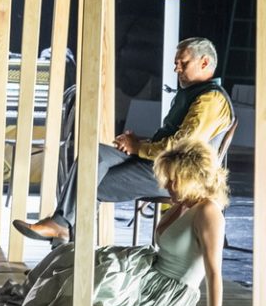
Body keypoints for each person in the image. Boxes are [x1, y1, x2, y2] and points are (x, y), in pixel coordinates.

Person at [0, 140, 256, 306]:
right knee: (71, 255)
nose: (167, 186)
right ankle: (33, 302)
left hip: (161, 293)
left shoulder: (208, 212)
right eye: (167, 179)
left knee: (88, 298)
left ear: (193, 179)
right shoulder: (182, 203)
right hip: (148, 273)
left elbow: (213, 272)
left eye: (174, 181)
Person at [13, 37, 234, 247]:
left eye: (183, 63)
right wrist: (138, 143)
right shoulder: (194, 93)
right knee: (94, 155)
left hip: (177, 174)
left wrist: (139, 147)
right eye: (176, 63)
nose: (177, 69)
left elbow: (180, 146)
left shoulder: (211, 99)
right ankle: (61, 231)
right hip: (157, 161)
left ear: (204, 62)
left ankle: (66, 246)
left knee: (89, 182)